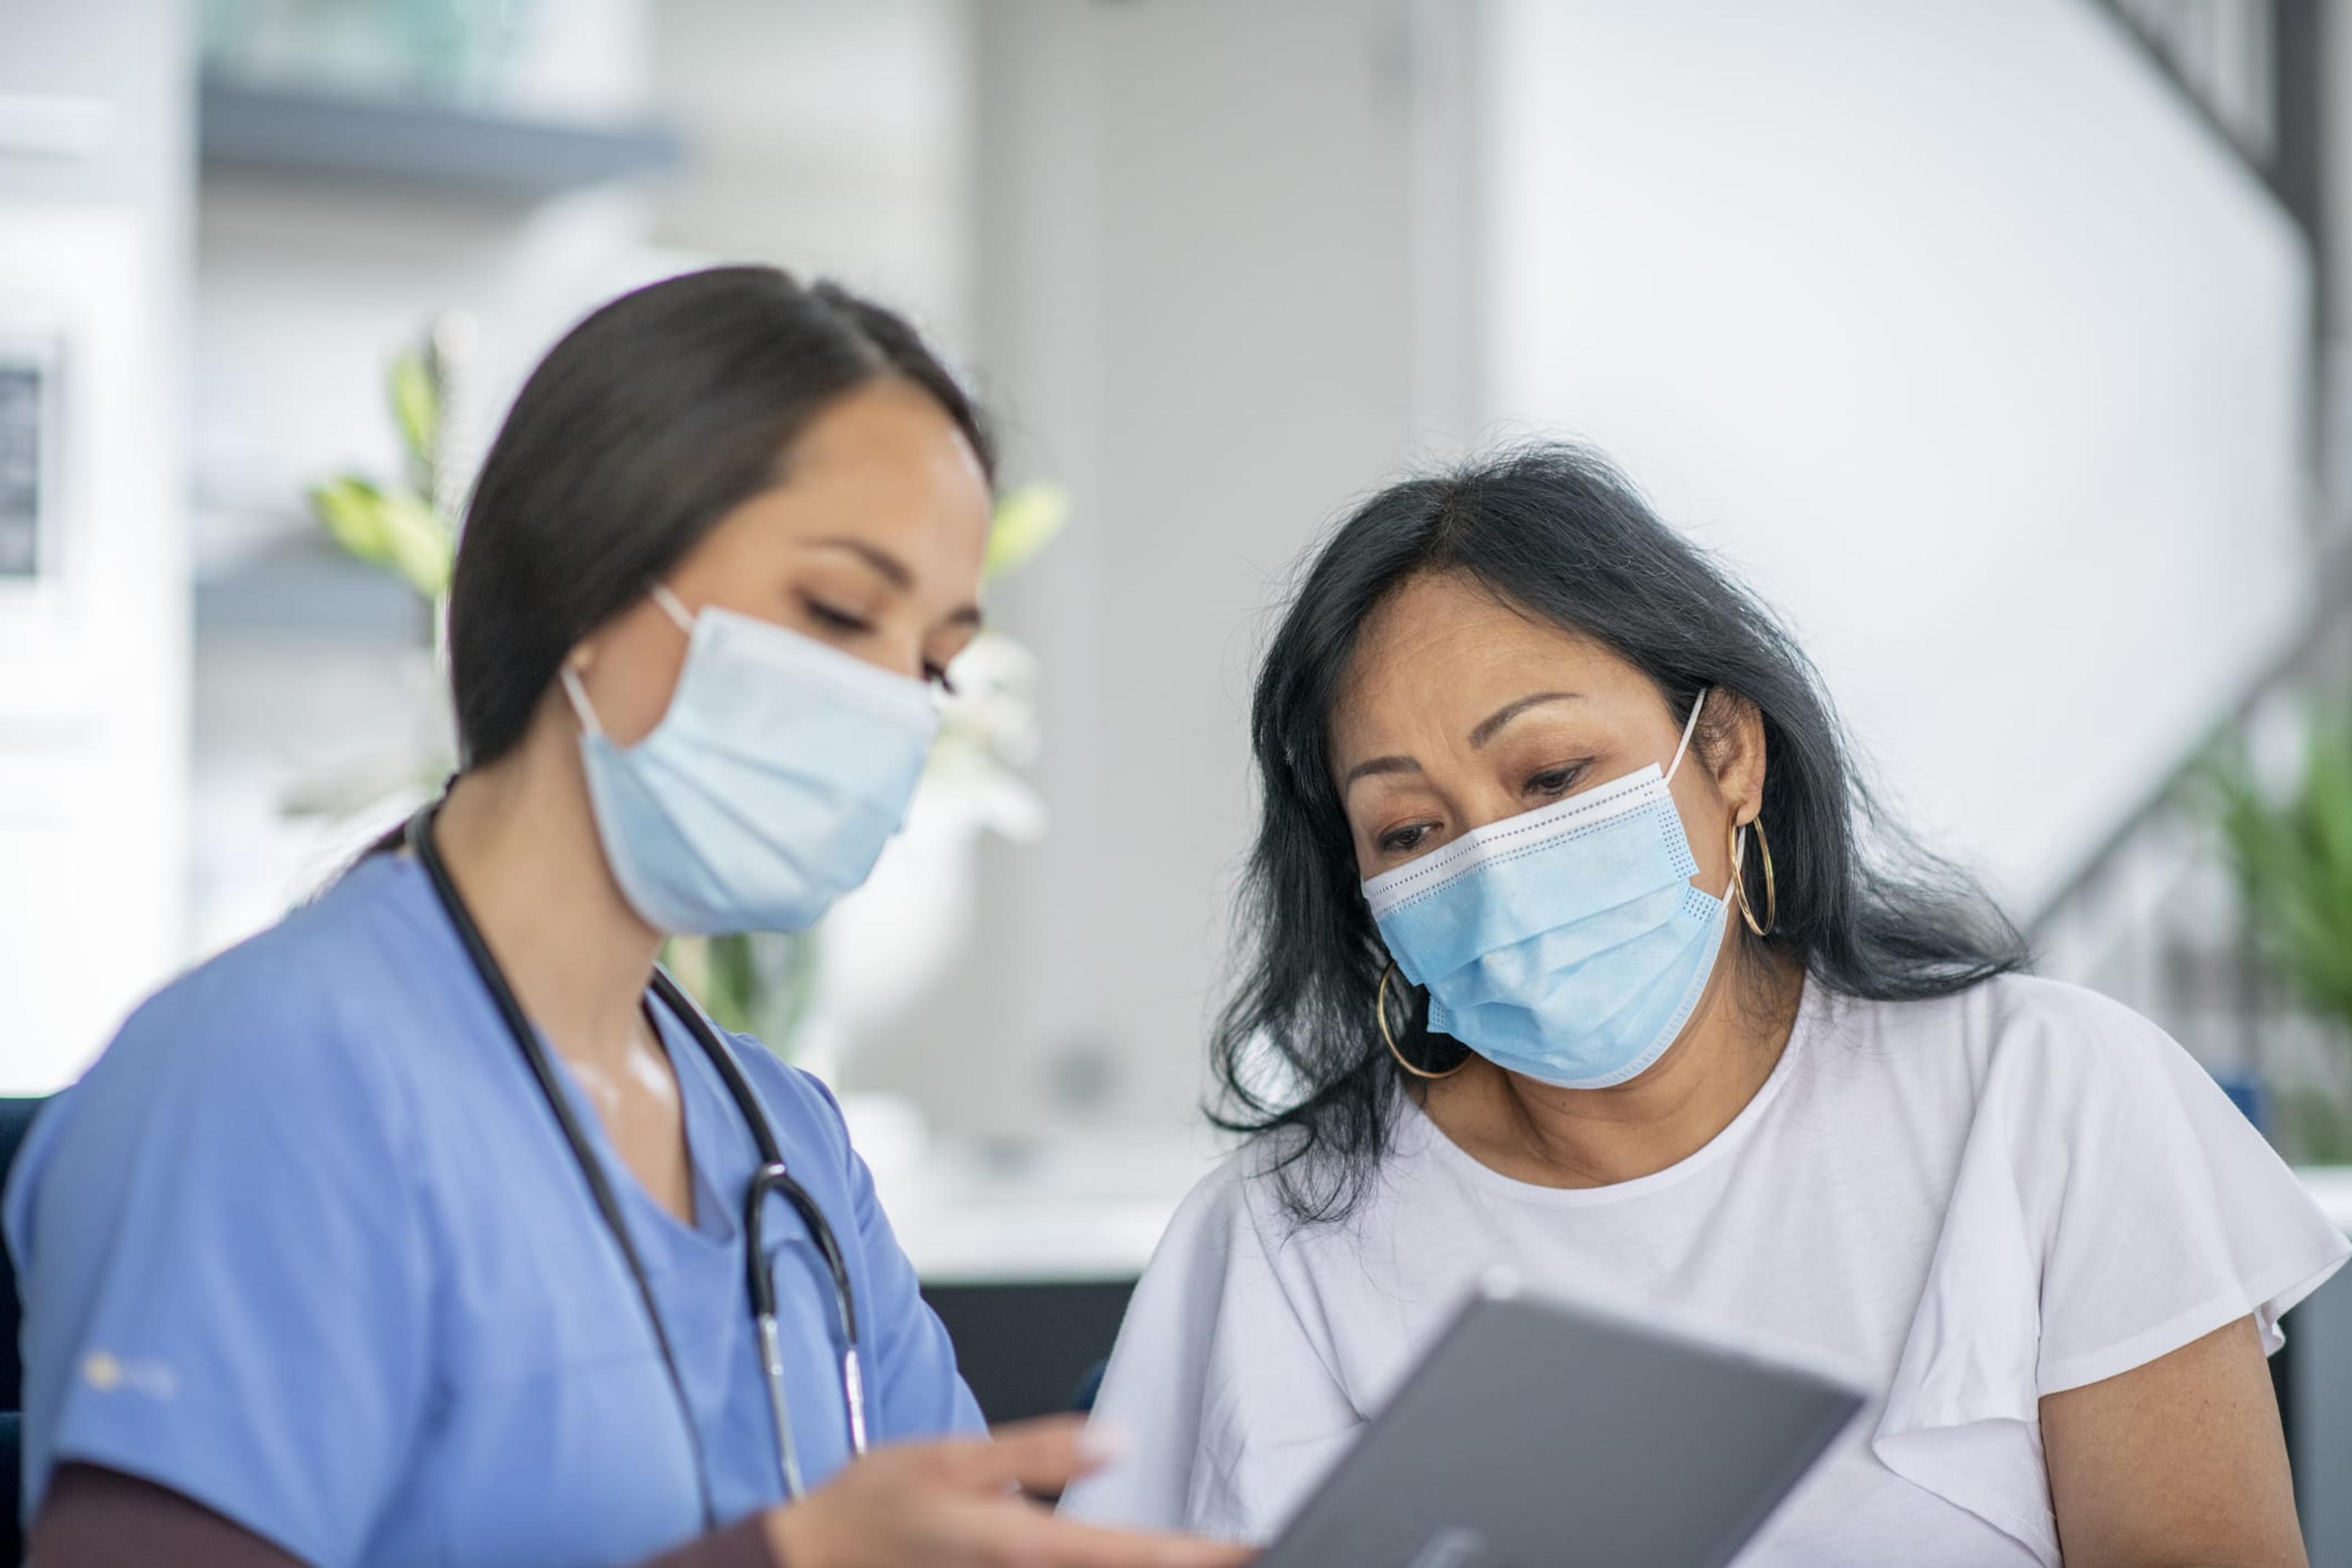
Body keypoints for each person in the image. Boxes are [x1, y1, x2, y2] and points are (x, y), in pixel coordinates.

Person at [5, 267, 1245, 1568]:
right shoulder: (267, 1076)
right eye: (835, 610)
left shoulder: (786, 1141)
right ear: (588, 584)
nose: (892, 706)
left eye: (933, 662)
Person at [1060, 445, 2351, 1566]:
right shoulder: (1285, 1239)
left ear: (1728, 751)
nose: (1496, 869)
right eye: (1409, 827)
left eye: (1554, 773)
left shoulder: (2045, 1094)